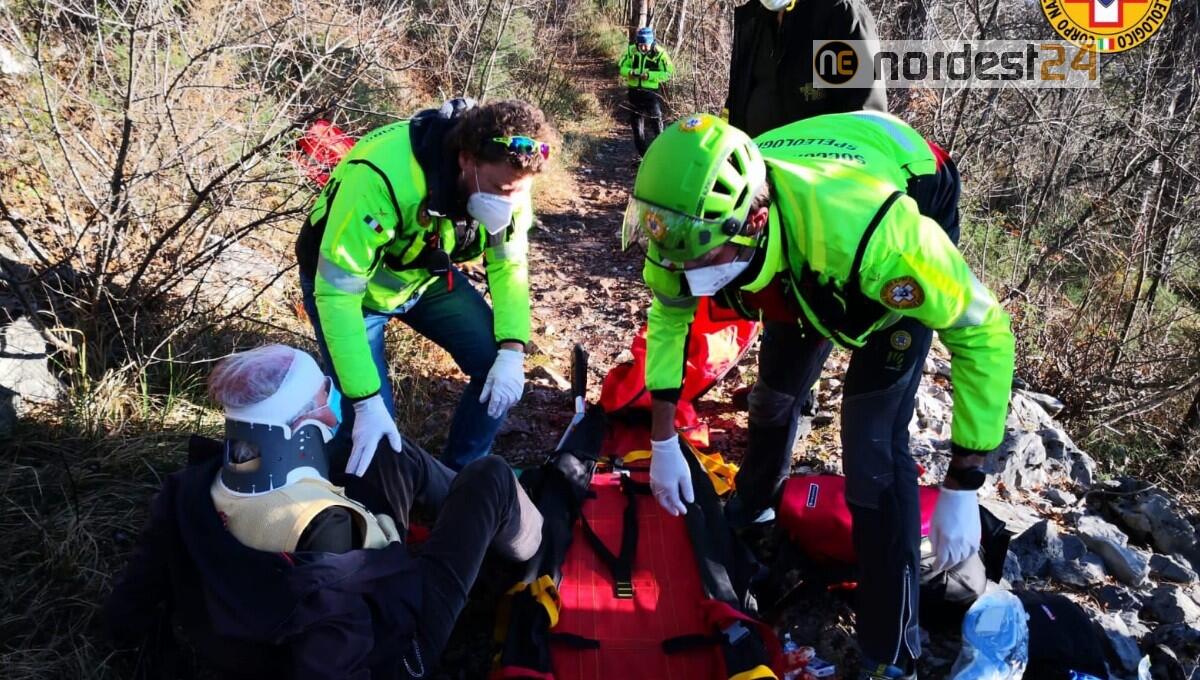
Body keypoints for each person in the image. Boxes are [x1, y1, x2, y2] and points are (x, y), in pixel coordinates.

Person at [621, 113, 1014, 680]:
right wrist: (661, 439)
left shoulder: (880, 240)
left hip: (900, 188)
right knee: (772, 399)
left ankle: (891, 649)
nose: (679, 270)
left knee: (873, 448)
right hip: (797, 234)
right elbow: (669, 317)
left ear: (754, 220)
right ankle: (754, 505)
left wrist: (964, 482)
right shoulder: (684, 226)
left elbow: (985, 330)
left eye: (698, 259)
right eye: (672, 254)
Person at [105, 345, 543, 679]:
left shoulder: (191, 487)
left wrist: (128, 643)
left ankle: (467, 506)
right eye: (323, 394)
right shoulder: (328, 530)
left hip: (282, 595)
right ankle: (530, 540)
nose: (333, 400)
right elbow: (337, 664)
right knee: (490, 476)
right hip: (402, 638)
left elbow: (137, 591)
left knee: (385, 451)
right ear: (300, 427)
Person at [296, 98, 555, 474]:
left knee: (493, 360)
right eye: (500, 189)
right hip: (351, 295)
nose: (510, 202)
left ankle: (462, 476)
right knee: (368, 423)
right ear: (466, 159)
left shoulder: (512, 181)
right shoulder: (380, 178)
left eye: (518, 192)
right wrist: (366, 401)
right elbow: (337, 294)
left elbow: (509, 264)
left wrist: (514, 350)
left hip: (422, 277)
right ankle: (350, 497)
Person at [724, 0, 887, 138]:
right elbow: (735, 112)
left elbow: (864, 118)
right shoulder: (755, 21)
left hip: (821, 170)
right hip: (756, 169)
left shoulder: (839, 13)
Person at [617, 26, 675, 157]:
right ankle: (642, 156)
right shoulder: (631, 51)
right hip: (634, 92)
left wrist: (649, 75)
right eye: (640, 45)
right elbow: (621, 67)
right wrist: (630, 72)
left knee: (657, 122)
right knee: (637, 127)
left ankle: (662, 153)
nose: (643, 48)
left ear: (651, 42)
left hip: (651, 93)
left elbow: (668, 73)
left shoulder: (659, 53)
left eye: (646, 45)